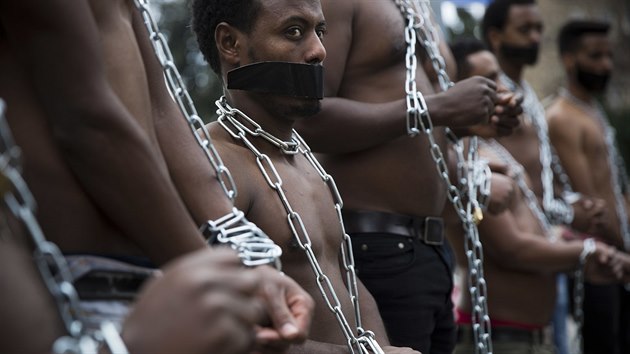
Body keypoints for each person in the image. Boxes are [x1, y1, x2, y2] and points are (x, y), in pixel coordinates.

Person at [0, 0, 312, 348]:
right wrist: (213, 271)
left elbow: (163, 112)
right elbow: (87, 123)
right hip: (72, 277)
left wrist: (233, 249)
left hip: (155, 268)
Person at [291, 0, 523, 352]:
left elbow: (414, 125)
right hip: (376, 248)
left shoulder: (419, 6)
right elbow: (308, 117)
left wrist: (466, 123)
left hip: (431, 248)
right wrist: (438, 107)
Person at [190, 0, 421, 352]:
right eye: (293, 32)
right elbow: (217, 329)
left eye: (320, 31)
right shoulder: (215, 164)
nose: (319, 51)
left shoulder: (303, 159)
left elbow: (349, 283)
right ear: (230, 44)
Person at [447, 37, 630, 354]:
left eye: (500, 76)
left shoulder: (499, 153)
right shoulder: (467, 161)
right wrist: (584, 254)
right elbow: (512, 249)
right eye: (489, 80)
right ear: (459, 89)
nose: (503, 85)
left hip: (529, 337)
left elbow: (536, 228)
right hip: (500, 339)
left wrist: (583, 240)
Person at [481, 1, 609, 352]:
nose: (536, 38)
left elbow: (544, 180)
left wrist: (573, 204)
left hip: (549, 259)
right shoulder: (494, 99)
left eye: (539, 29)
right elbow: (513, 188)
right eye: (525, 30)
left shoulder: (528, 95)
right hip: (514, 271)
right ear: (495, 36)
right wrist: (571, 215)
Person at [546, 19, 630, 354]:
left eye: (608, 56)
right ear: (569, 59)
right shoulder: (562, 118)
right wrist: (624, 250)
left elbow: (613, 186)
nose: (605, 65)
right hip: (598, 263)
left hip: (619, 254)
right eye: (595, 56)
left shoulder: (592, 111)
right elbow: (590, 203)